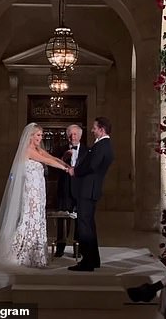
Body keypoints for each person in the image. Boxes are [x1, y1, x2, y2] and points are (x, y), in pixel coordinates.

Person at [0, 122, 69, 268]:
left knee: (37, 219)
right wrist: (65, 170)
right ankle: (21, 253)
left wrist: (67, 165)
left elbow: (51, 157)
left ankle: (36, 256)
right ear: (31, 136)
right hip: (31, 193)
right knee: (29, 219)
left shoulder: (38, 149)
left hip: (39, 192)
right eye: (38, 135)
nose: (40, 137)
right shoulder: (27, 150)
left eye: (41, 135)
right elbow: (48, 161)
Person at [67, 116, 114, 271]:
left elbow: (92, 166)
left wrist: (75, 170)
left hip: (88, 190)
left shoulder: (102, 145)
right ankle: (94, 259)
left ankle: (87, 262)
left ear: (101, 129)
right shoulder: (104, 144)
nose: (92, 130)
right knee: (89, 225)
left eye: (94, 128)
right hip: (91, 189)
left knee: (84, 226)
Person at [54, 124, 88, 258]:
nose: (72, 137)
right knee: (63, 220)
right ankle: (60, 248)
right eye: (70, 134)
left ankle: (78, 249)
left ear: (80, 136)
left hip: (80, 191)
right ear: (67, 136)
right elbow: (53, 169)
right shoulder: (60, 149)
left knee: (80, 221)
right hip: (65, 190)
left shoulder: (87, 151)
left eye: (75, 134)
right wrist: (64, 158)